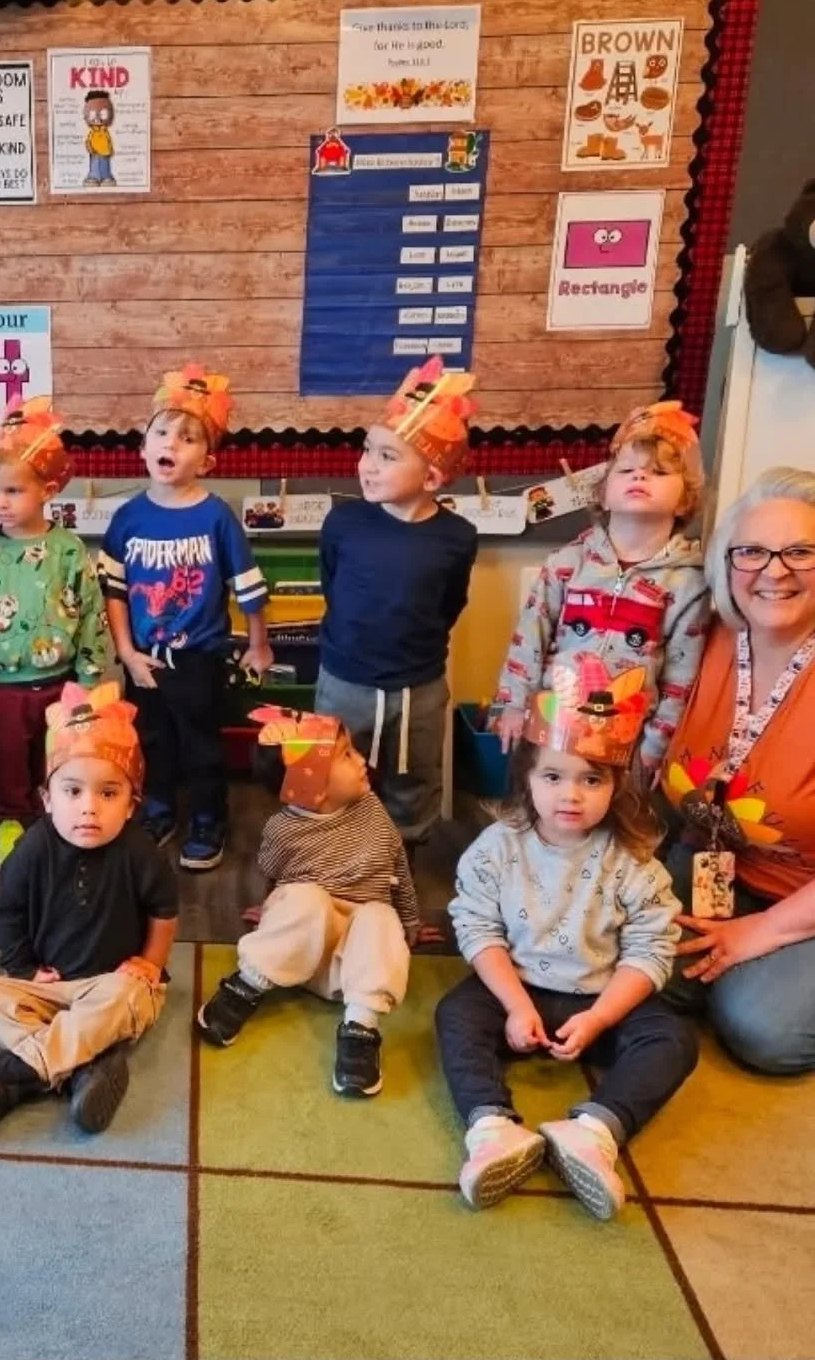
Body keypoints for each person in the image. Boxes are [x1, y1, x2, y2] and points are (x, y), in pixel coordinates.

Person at [436, 658, 697, 1220]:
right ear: (527, 781)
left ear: (617, 785)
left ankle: (594, 1131)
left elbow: (652, 950)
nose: (570, 795)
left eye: (591, 779)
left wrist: (600, 1018)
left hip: (603, 998)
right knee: (455, 1016)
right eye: (553, 777)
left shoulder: (634, 862)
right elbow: (478, 928)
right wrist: (514, 1005)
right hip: (516, 990)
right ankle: (492, 1128)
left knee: (674, 1039)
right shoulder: (496, 848)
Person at [0, 682, 179, 1138]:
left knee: (130, 997)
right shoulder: (32, 848)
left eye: (108, 794)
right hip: (50, 985)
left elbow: (164, 910)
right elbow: (8, 913)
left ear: (131, 805)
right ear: (47, 799)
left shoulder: (140, 851)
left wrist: (151, 962)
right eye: (73, 792)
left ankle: (20, 1074)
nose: (89, 809)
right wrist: (24, 970)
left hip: (113, 983)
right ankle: (87, 1065)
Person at [661, 467, 815, 1074]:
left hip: (802, 893)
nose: (774, 572)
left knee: (762, 1029)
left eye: (800, 552)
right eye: (751, 552)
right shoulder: (703, 635)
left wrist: (765, 931)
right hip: (714, 864)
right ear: (725, 563)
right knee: (606, 956)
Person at [195, 706, 419, 1098]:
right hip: (298, 953)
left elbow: (397, 864)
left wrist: (409, 922)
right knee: (304, 898)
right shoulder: (282, 830)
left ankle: (361, 1027)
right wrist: (272, 914)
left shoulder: (373, 811)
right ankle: (247, 985)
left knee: (382, 916)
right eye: (346, 755)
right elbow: (272, 877)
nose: (362, 760)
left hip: (348, 969)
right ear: (312, 784)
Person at [98, 365, 272, 870]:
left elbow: (249, 587)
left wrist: (258, 645)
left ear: (207, 460)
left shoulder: (216, 517)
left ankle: (207, 819)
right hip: (143, 658)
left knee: (201, 747)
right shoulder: (128, 518)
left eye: (188, 437)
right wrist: (127, 654)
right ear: (143, 446)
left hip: (199, 658)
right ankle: (157, 810)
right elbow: (114, 590)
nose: (171, 443)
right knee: (151, 741)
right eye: (161, 433)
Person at [493, 401, 710, 778]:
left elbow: (681, 674)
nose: (639, 475)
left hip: (629, 737)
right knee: (547, 802)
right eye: (626, 470)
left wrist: (656, 745)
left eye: (658, 472)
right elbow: (530, 635)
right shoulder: (566, 563)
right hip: (553, 722)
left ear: (684, 501)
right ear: (604, 494)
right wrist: (513, 703)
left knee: (614, 811)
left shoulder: (689, 582)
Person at [316, 359, 478, 845]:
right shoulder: (343, 524)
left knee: (413, 784)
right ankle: (336, 861)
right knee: (332, 776)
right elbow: (333, 587)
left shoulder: (457, 537)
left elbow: (449, 604)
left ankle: (400, 864)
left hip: (418, 689)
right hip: (345, 682)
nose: (366, 465)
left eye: (387, 456)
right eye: (367, 449)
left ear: (431, 478)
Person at [0, 397, 111, 872]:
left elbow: (91, 612)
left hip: (61, 684)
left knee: (58, 759)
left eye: (13, 491)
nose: (0, 503)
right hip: (3, 687)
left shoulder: (68, 550)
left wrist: (88, 678)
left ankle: (56, 827)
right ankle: (10, 826)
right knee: (6, 762)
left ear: (47, 490)